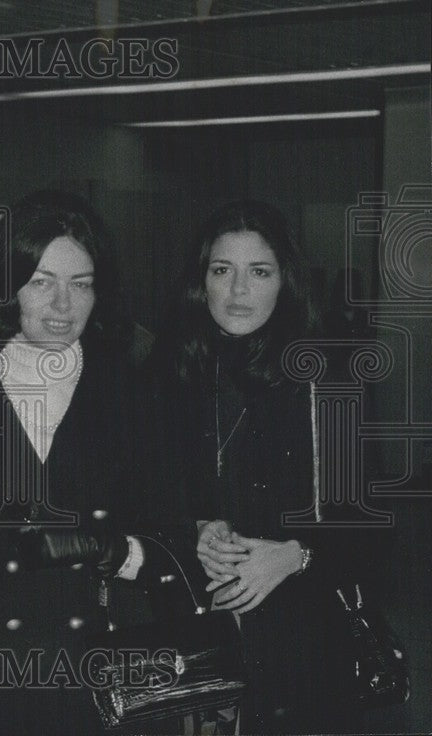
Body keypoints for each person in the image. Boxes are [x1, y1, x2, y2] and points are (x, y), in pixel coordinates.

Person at [0, 195, 185, 735]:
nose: (62, 304)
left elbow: (178, 533)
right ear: (6, 284)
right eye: (41, 281)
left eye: (81, 283)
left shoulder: (140, 390)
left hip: (107, 670)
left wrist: (120, 551)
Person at [152, 200, 375, 734]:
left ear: (285, 282)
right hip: (197, 632)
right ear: (200, 281)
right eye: (222, 270)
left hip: (303, 642)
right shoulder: (170, 374)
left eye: (259, 272)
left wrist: (295, 556)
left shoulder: (326, 381)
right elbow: (143, 498)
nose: (238, 291)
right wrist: (195, 529)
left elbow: (371, 534)